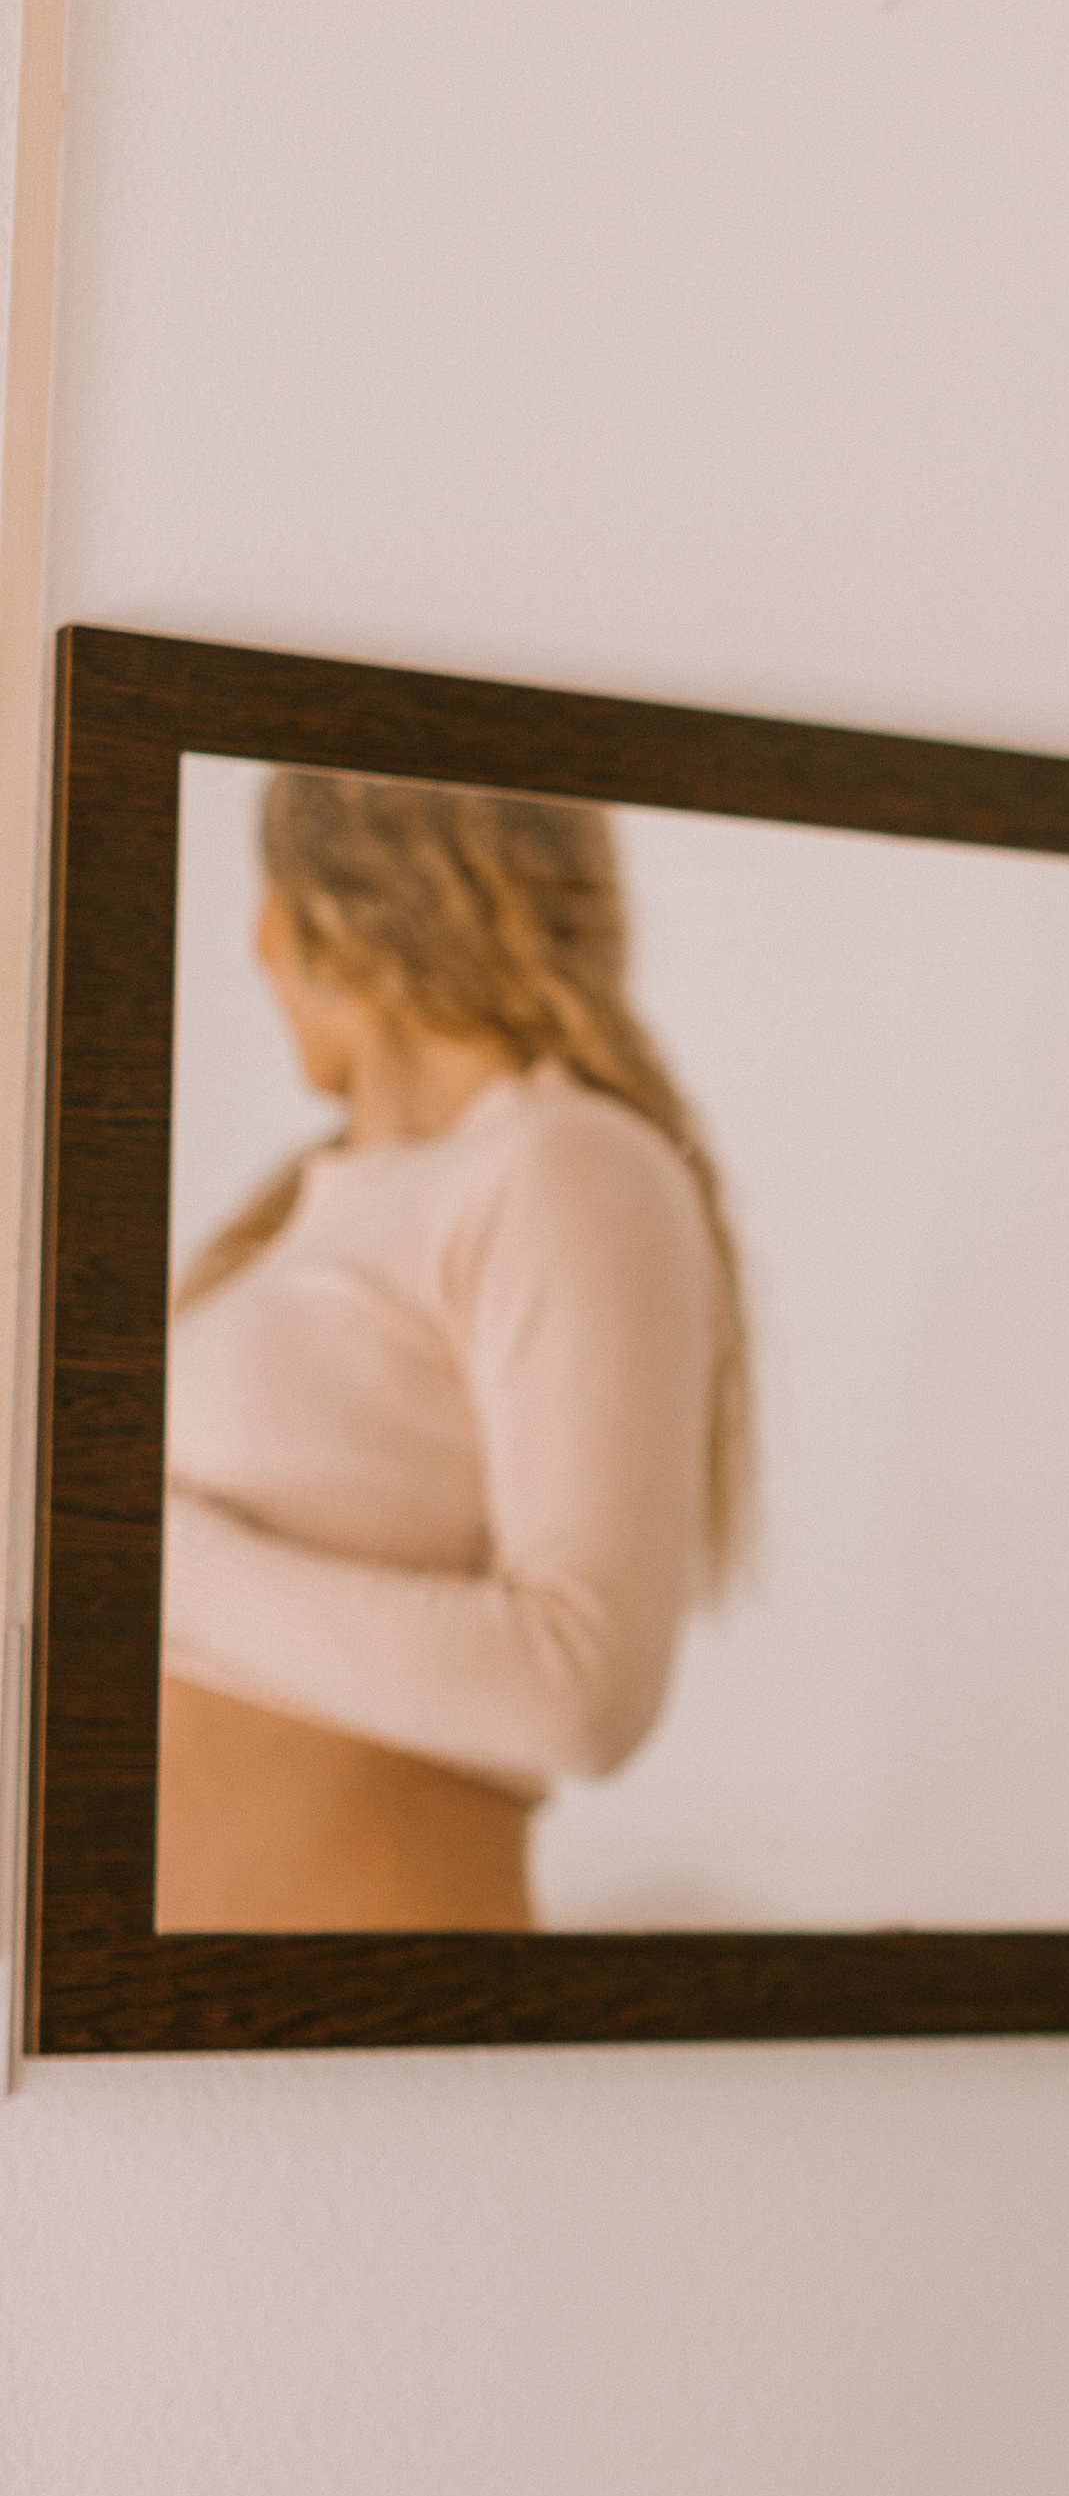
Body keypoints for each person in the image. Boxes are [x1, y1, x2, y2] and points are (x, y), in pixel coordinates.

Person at [159, 769, 749, 1929]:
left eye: (268, 894)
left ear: (323, 909)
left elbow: (579, 1690)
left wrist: (130, 1564)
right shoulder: (298, 1214)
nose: (252, 943)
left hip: (355, 2035)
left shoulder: (565, 1162)